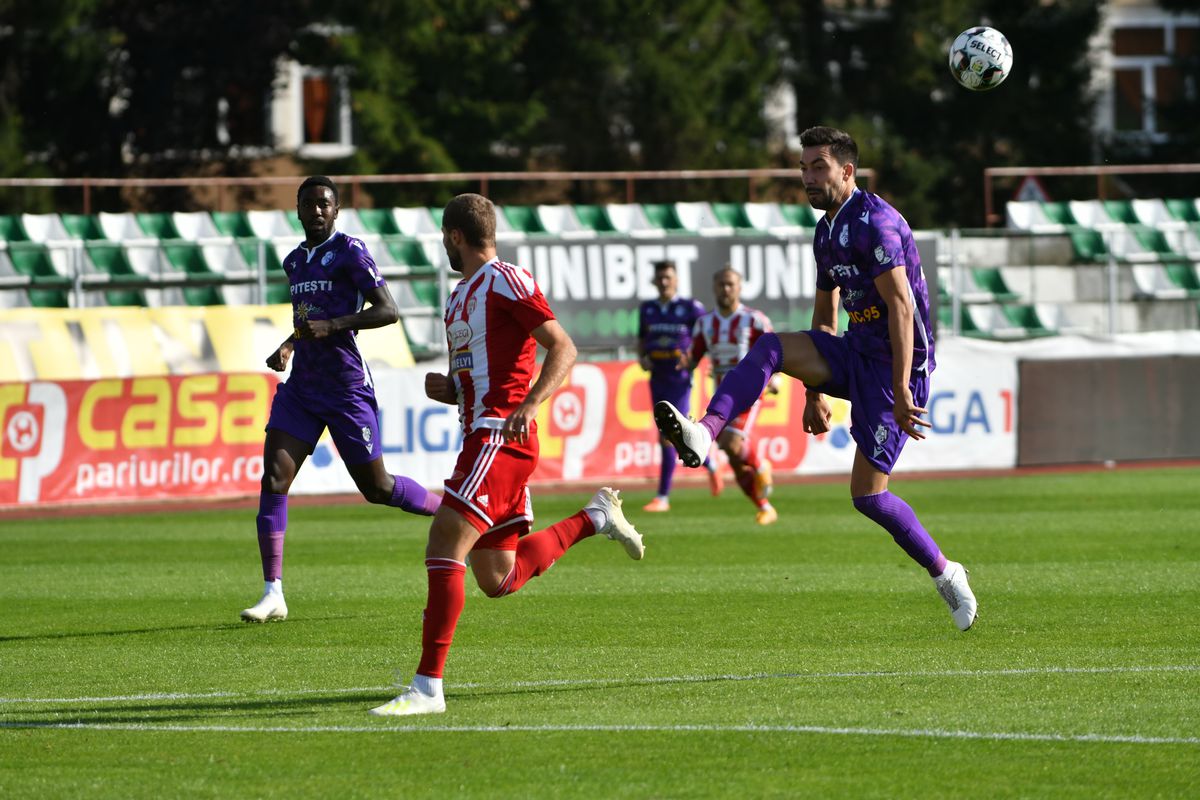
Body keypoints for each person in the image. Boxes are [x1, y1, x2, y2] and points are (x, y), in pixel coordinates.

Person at [654, 126, 978, 631]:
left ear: (846, 171)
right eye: (803, 168)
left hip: (897, 367)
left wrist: (900, 389)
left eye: (817, 167)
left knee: (868, 496)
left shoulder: (877, 222)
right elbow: (825, 315)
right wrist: (815, 390)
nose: (807, 177)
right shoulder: (826, 231)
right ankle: (705, 431)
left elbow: (900, 306)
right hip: (854, 351)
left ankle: (945, 571)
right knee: (770, 346)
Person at [370, 193, 644, 716]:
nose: (443, 245)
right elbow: (478, 375)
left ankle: (427, 687)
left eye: (444, 237)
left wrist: (532, 403)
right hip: (480, 434)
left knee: (445, 538)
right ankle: (595, 518)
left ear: (455, 236)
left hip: (500, 436)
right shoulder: (459, 297)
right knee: (499, 577)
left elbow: (562, 346)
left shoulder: (506, 279)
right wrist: (450, 390)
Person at [240, 176, 441, 623]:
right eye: (308, 203)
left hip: (346, 388)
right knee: (274, 479)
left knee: (377, 488)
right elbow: (307, 319)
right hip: (302, 389)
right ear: (297, 210)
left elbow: (388, 310)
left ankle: (451, 513)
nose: (316, 210)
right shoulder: (294, 261)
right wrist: (289, 344)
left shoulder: (351, 251)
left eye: (324, 204)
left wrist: (334, 326)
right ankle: (273, 592)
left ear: (336, 210)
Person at [689, 267, 779, 525]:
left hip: (750, 391)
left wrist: (775, 379)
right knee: (735, 460)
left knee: (731, 444)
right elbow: (692, 357)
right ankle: (764, 507)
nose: (726, 289)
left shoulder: (755, 320)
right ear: (714, 288)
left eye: (730, 284)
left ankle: (760, 466)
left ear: (739, 287)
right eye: (721, 284)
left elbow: (776, 352)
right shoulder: (705, 324)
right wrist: (679, 363)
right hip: (722, 394)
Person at [637, 259, 721, 512]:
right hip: (657, 377)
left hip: (680, 378)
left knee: (668, 436)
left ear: (676, 280)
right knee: (673, 436)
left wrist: (701, 359)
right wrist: (642, 358)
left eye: (668, 277)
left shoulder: (690, 308)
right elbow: (641, 339)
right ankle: (710, 464)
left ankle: (662, 497)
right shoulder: (647, 309)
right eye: (660, 278)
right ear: (655, 281)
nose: (664, 282)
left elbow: (707, 334)